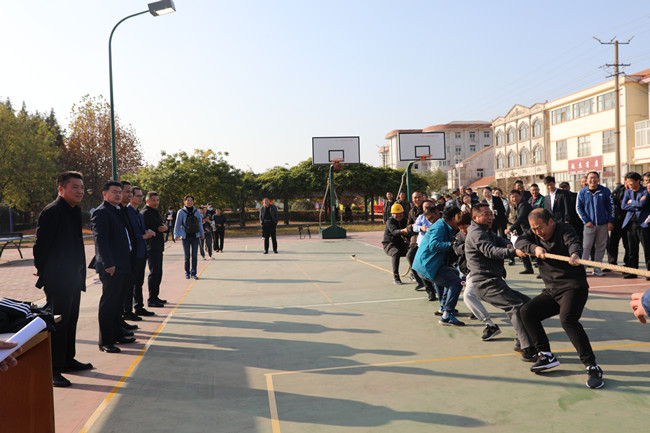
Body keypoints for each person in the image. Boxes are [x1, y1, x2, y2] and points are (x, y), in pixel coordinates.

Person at [516, 208, 604, 389]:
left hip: (573, 288)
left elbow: (573, 243)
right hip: (552, 290)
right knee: (527, 311)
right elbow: (520, 241)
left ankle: (592, 366)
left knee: (568, 320)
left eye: (540, 227)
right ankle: (546, 355)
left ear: (551, 222)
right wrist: (534, 248)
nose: (537, 232)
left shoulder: (564, 229)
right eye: (534, 229)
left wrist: (575, 255)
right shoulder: (534, 235)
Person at [33, 171, 93, 387]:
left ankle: (68, 360)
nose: (80, 191)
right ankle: (53, 369)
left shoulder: (74, 211)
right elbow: (41, 246)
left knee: (71, 319)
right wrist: (43, 270)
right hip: (58, 278)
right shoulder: (52, 211)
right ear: (61, 189)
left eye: (81, 187)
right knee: (57, 322)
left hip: (73, 276)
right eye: (75, 187)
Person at [465, 203, 535, 361]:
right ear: (475, 217)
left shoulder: (485, 230)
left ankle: (521, 339)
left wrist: (506, 244)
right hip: (485, 283)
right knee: (516, 307)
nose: (490, 217)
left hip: (494, 280)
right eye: (485, 214)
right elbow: (490, 251)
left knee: (527, 304)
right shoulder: (476, 233)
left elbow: (498, 240)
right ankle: (528, 349)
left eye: (491, 214)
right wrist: (514, 252)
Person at [91, 181, 136, 354]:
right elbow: (101, 241)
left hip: (123, 263)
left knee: (118, 303)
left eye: (119, 192)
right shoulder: (101, 212)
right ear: (104, 194)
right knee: (109, 304)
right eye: (114, 192)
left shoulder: (117, 210)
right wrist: (108, 263)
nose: (118, 195)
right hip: (112, 266)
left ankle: (118, 334)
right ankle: (106, 341)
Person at [412, 206, 465, 326]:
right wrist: (452, 244)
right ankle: (447, 315)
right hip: (427, 265)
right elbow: (434, 245)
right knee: (456, 282)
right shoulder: (439, 227)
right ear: (453, 219)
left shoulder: (443, 225)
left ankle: (443, 307)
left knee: (453, 274)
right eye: (459, 218)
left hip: (428, 264)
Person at [453, 211, 500, 340]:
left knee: (500, 299)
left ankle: (492, 325)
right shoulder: (460, 236)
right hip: (471, 272)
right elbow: (457, 250)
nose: (463, 230)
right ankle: (490, 324)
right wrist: (469, 244)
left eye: (465, 227)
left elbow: (495, 243)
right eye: (460, 228)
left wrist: (507, 244)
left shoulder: (481, 233)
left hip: (486, 271)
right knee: (470, 295)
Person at [125, 186, 156, 318]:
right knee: (130, 283)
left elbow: (141, 230)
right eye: (138, 196)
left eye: (141, 196)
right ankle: (127, 311)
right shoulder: (127, 212)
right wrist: (143, 236)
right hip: (133, 253)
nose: (140, 198)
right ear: (131, 196)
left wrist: (147, 232)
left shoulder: (138, 213)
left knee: (139, 282)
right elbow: (129, 234)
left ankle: (138, 306)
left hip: (142, 251)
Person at [577, 171, 614, 277]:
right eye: (590, 178)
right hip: (589, 225)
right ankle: (582, 268)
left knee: (601, 247)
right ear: (587, 180)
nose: (593, 180)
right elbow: (579, 208)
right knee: (586, 247)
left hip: (603, 225)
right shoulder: (582, 192)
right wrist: (586, 221)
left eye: (595, 178)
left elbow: (611, 207)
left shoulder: (605, 191)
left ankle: (597, 269)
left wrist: (610, 221)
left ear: (598, 179)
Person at [141, 191, 168, 309]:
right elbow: (153, 227)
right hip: (151, 246)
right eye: (153, 200)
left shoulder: (155, 212)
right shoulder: (145, 213)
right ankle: (151, 299)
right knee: (154, 272)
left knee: (158, 273)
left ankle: (155, 296)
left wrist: (166, 228)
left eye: (157, 200)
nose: (156, 202)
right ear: (147, 201)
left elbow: (162, 226)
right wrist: (163, 228)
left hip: (158, 246)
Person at [621, 172, 650, 279]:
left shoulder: (645, 191)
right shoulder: (627, 192)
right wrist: (636, 204)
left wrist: (631, 202)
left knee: (647, 249)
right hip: (630, 224)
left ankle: (649, 272)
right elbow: (623, 206)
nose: (629, 183)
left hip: (643, 224)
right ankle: (632, 272)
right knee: (631, 250)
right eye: (627, 181)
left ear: (638, 181)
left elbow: (642, 204)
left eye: (631, 181)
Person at [412, 200, 439, 300]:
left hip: (435, 246)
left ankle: (438, 289)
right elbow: (414, 227)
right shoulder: (421, 217)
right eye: (425, 207)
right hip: (423, 246)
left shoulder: (439, 219)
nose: (427, 209)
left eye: (429, 207)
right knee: (421, 268)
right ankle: (430, 291)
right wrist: (421, 228)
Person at [175, 195, 205, 279]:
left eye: (191, 200)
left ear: (193, 202)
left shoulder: (197, 212)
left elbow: (200, 223)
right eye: (188, 200)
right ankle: (187, 272)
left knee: (194, 255)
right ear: (184, 202)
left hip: (195, 236)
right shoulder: (181, 212)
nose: (189, 202)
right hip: (185, 237)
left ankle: (194, 272)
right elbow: (177, 224)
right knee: (187, 256)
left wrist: (202, 233)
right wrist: (176, 234)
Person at [505, 190, 534, 274]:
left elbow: (520, 218)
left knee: (534, 250)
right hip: (524, 231)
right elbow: (517, 219)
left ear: (520, 196)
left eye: (516, 196)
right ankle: (528, 268)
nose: (514, 198)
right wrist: (515, 230)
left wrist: (510, 229)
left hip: (531, 231)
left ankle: (541, 270)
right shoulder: (517, 206)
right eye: (512, 197)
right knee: (521, 247)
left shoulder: (523, 205)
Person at [382, 203, 409, 285]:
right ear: (392, 214)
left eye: (400, 213)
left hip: (401, 244)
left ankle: (413, 273)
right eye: (396, 214)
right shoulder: (390, 222)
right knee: (395, 253)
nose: (399, 215)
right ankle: (396, 276)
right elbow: (394, 232)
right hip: (389, 244)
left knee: (412, 252)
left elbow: (409, 232)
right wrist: (403, 231)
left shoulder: (405, 221)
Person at [406, 191, 425, 288]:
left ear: (423, 197)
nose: (417, 199)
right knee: (410, 255)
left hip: (427, 236)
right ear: (412, 199)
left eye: (419, 197)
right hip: (416, 237)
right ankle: (419, 281)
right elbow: (408, 226)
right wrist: (413, 226)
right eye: (415, 198)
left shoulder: (427, 208)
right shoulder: (411, 211)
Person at [608, 182, 627, 267]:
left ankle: (628, 263)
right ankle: (612, 263)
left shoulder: (635, 190)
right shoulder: (620, 188)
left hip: (628, 221)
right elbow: (612, 198)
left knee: (627, 244)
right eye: (627, 181)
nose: (628, 183)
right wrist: (620, 202)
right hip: (617, 220)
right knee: (613, 243)